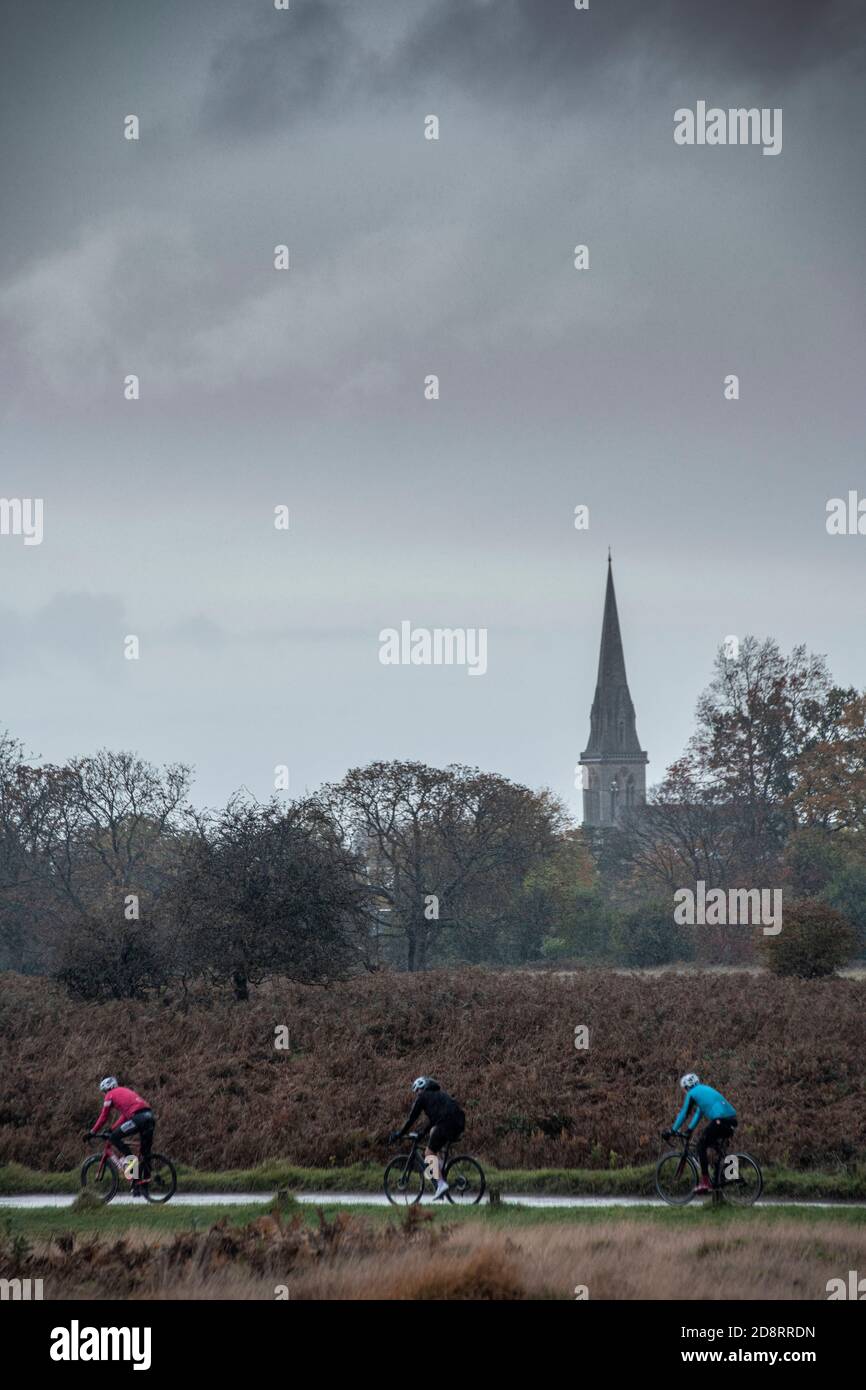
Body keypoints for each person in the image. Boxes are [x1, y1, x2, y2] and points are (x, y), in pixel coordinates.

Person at [389, 1076, 465, 1201]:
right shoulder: (439, 1095)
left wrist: (400, 1134)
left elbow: (411, 1119)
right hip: (458, 1123)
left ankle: (441, 1184)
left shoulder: (422, 1097)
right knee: (433, 1132)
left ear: (422, 1088)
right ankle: (440, 1169)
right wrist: (422, 1134)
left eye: (417, 1090)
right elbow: (433, 1121)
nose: (417, 1094)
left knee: (428, 1153)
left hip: (445, 1124)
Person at [85, 1076, 155, 1197]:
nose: (104, 1094)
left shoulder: (110, 1095)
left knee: (114, 1138)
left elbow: (103, 1116)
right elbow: (124, 1116)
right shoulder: (124, 1091)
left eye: (104, 1091)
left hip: (138, 1119)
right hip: (149, 1117)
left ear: (107, 1088)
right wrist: (112, 1129)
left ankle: (133, 1167)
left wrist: (92, 1132)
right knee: (145, 1153)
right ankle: (141, 1186)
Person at [670, 1072, 737, 1194]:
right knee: (718, 1149)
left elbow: (684, 1113)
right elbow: (698, 1114)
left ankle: (705, 1182)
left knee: (701, 1145)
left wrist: (672, 1130)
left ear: (686, 1087)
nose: (685, 1091)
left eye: (684, 1089)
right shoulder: (704, 1090)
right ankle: (727, 1177)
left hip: (720, 1120)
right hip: (731, 1120)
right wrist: (689, 1129)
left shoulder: (692, 1093)